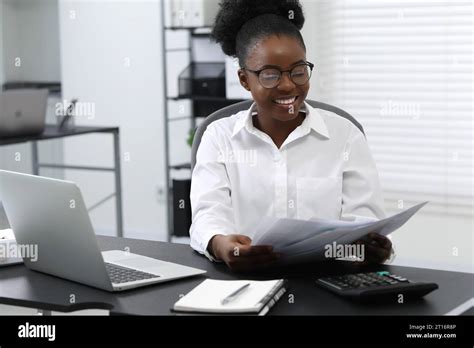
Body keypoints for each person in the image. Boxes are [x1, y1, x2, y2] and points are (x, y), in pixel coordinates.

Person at [189, 0, 393, 272]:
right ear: (244, 79)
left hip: (327, 284)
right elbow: (208, 214)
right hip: (243, 283)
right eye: (270, 75)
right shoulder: (219, 136)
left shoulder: (344, 136)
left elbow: (364, 221)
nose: (288, 85)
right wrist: (222, 244)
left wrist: (369, 248)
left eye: (298, 71)